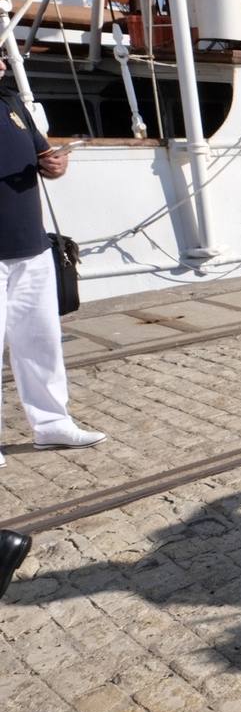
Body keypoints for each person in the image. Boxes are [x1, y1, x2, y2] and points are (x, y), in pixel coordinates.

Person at [0, 55, 105, 469]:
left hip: (31, 247)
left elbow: (46, 159)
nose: (4, 59)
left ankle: (51, 424)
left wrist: (56, 163)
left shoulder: (12, 104)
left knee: (40, 342)